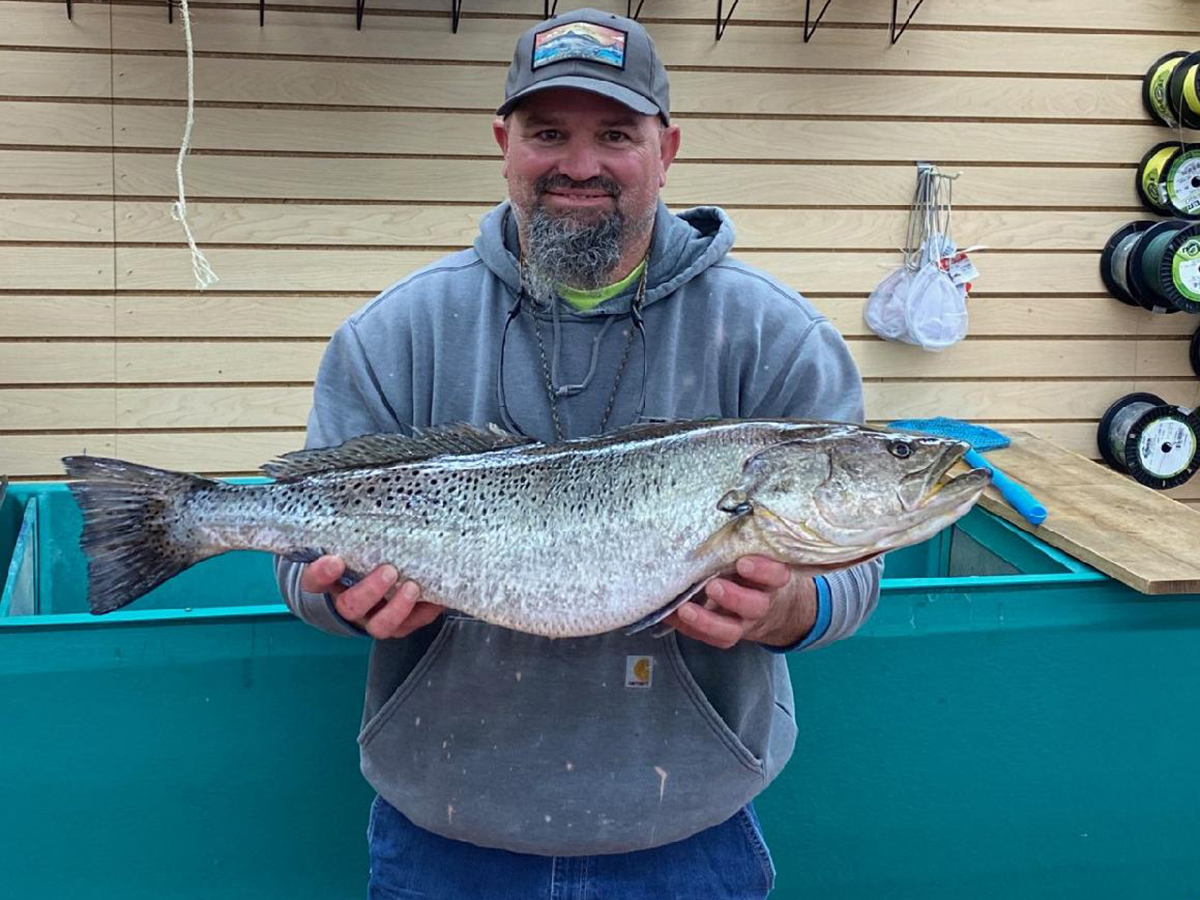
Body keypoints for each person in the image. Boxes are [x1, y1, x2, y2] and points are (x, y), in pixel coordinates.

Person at [276, 8, 882, 898]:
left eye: (615, 134)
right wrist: (342, 599)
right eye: (548, 131)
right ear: (503, 141)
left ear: (667, 148)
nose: (580, 164)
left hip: (687, 831)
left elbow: (855, 577)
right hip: (443, 829)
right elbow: (298, 561)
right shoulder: (393, 335)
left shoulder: (778, 338)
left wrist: (787, 604)